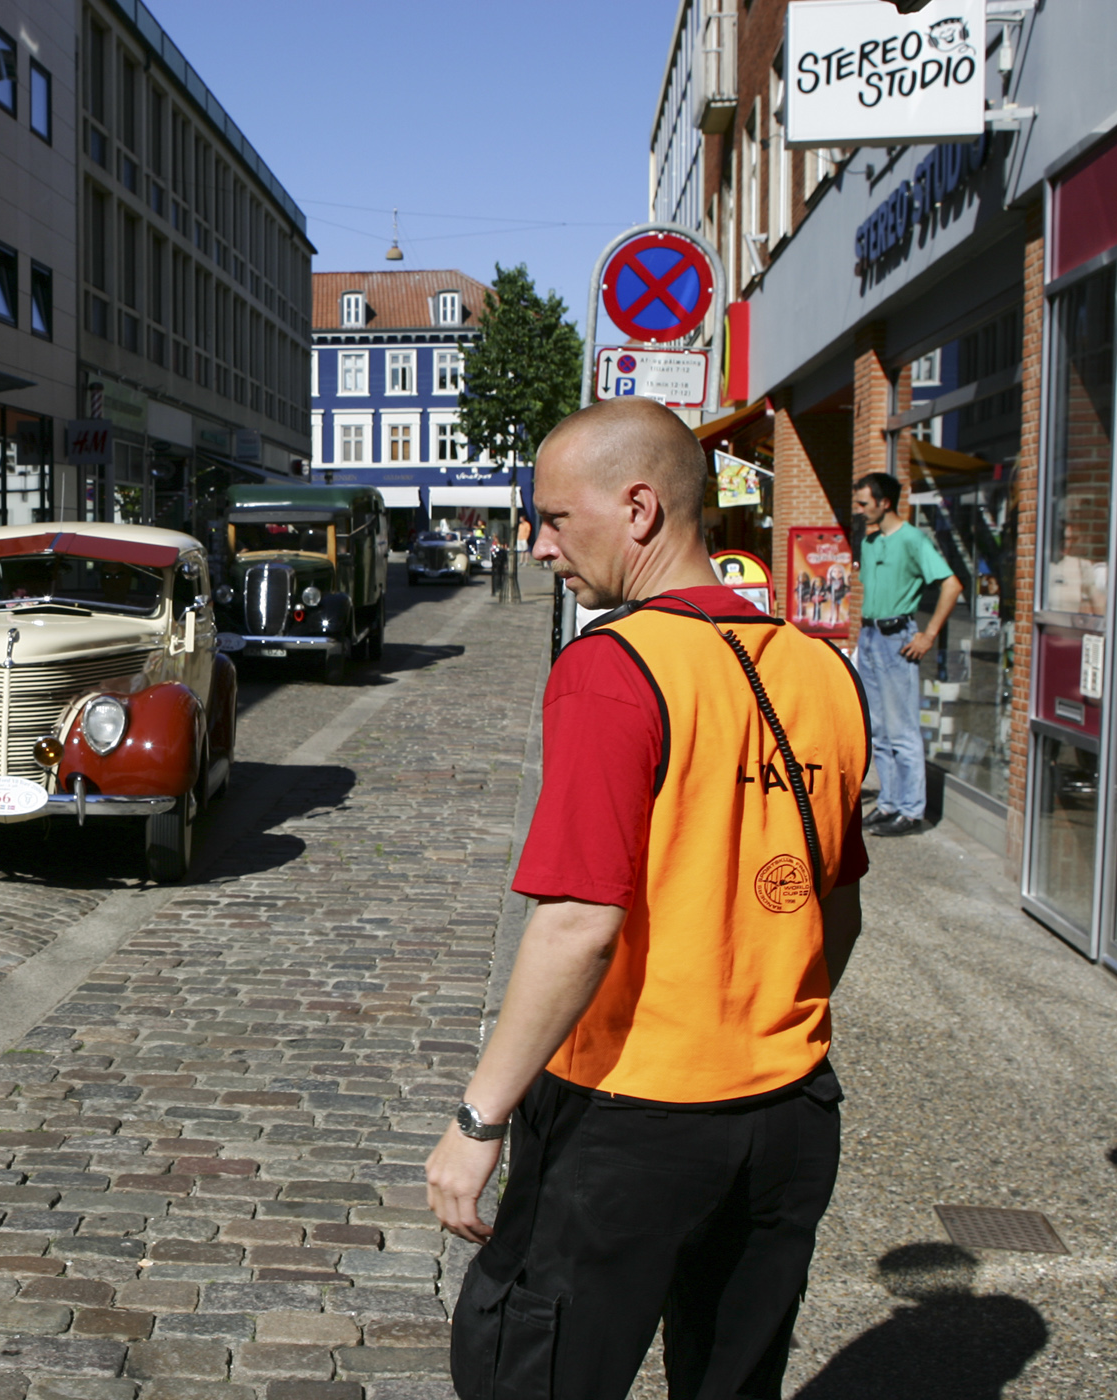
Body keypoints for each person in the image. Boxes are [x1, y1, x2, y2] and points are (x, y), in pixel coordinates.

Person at [426, 398, 869, 1400]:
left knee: (525, 1370)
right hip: (788, 1114)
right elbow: (832, 910)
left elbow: (579, 922)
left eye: (553, 518)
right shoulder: (824, 673)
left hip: (630, 1117)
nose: (538, 546)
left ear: (638, 509)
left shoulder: (610, 669)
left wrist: (479, 1118)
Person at [851, 471, 963, 836]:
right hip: (870, 636)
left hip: (896, 637)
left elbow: (951, 585)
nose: (859, 509)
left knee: (902, 730)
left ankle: (912, 810)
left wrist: (928, 635)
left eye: (864, 503)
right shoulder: (871, 542)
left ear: (885, 502)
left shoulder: (913, 539)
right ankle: (889, 802)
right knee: (878, 729)